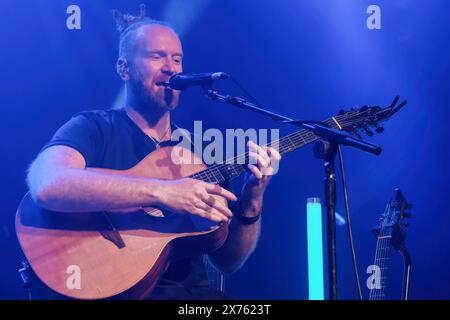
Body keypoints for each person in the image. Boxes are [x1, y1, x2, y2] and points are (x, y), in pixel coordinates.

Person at [25, 9, 281, 300]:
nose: (172, 68)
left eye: (177, 58)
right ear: (124, 68)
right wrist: (162, 192)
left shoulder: (201, 152)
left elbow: (228, 262)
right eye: (157, 56)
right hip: (113, 289)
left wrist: (253, 200)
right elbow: (47, 185)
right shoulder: (94, 127)